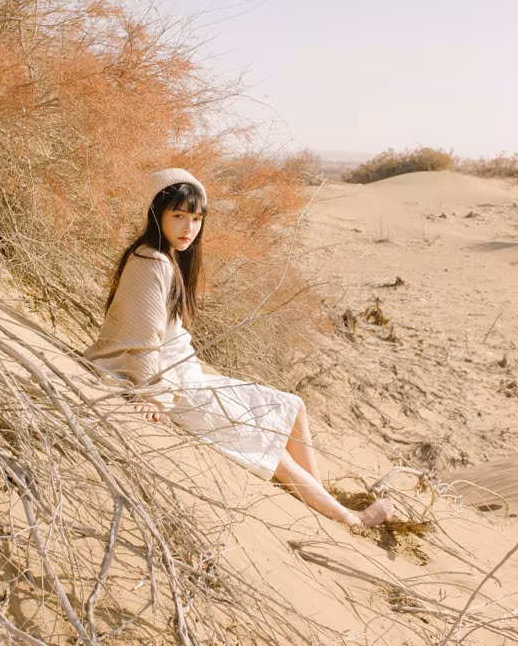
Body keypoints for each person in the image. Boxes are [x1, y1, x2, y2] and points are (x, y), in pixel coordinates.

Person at [83, 168, 394, 528]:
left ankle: (317, 495)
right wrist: (153, 395)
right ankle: (350, 520)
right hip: (171, 387)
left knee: (292, 407)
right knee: (261, 438)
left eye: (196, 218)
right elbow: (142, 336)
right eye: (178, 216)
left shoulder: (167, 257)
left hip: (187, 375)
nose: (189, 228)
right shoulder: (151, 261)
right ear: (157, 214)